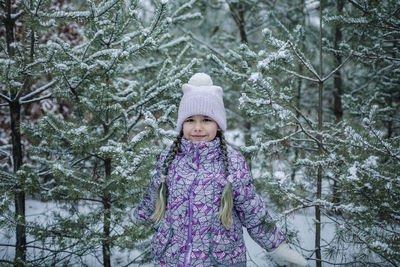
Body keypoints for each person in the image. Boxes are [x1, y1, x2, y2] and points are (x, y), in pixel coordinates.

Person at [132, 73, 308, 267]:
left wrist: (277, 247)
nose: (198, 127)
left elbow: (252, 210)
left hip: (220, 260)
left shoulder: (232, 162)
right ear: (182, 124)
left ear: (218, 124)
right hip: (171, 258)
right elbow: (154, 196)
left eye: (206, 120)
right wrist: (136, 218)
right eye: (190, 120)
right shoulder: (170, 157)